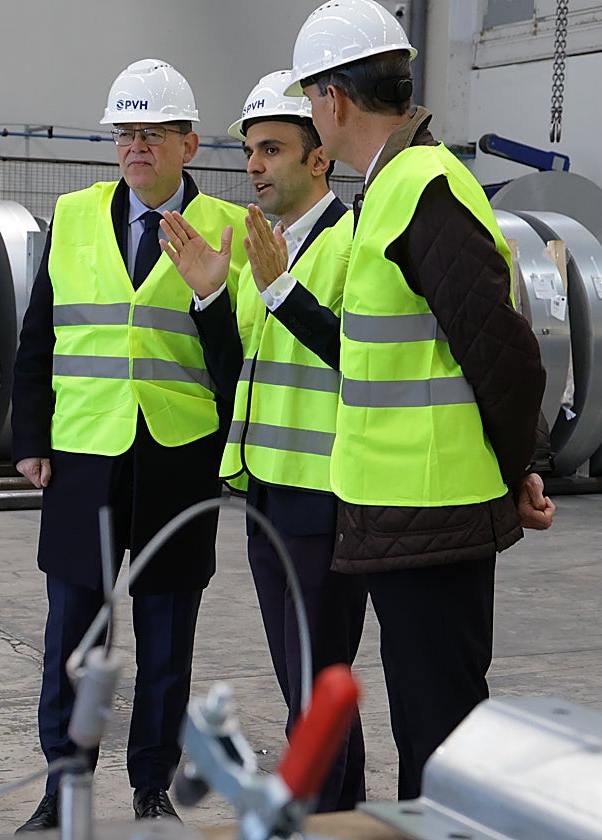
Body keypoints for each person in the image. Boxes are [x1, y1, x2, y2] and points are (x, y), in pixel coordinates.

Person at [269, 0, 555, 800]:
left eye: (308, 100)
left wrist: (521, 465)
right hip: (399, 513)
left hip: (435, 513)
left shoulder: (423, 188)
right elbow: (371, 356)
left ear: (334, 98)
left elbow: (500, 350)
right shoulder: (391, 188)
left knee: (442, 737)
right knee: (426, 734)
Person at [10, 58, 248, 832]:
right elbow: (39, 333)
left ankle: (151, 785)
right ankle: (63, 786)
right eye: (125, 133)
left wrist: (211, 290)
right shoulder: (74, 215)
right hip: (83, 451)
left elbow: (235, 362)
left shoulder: (230, 230)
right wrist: (30, 436)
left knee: (167, 635)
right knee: (74, 635)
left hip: (179, 455)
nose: (136, 146)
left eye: (152, 133)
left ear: (189, 144)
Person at [157, 70, 367, 811]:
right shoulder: (261, 248)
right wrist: (213, 295)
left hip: (327, 494)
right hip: (266, 490)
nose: (252, 165)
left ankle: (320, 821)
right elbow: (233, 375)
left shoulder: (352, 247)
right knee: (306, 682)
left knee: (314, 684)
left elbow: (364, 361)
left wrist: (283, 292)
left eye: (271, 149)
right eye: (249, 150)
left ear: (320, 159)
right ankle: (340, 819)